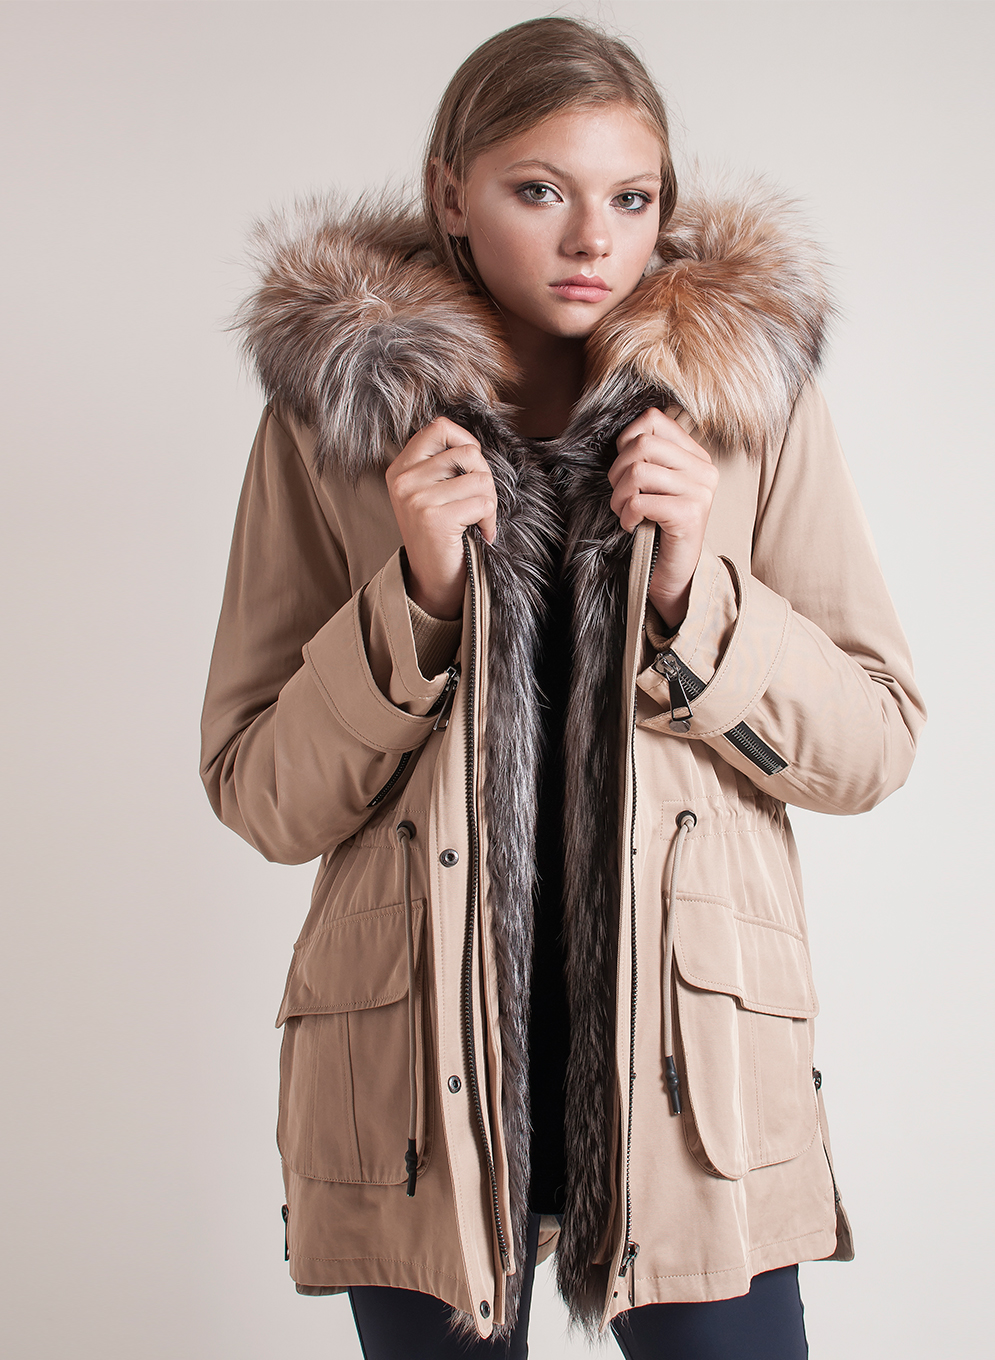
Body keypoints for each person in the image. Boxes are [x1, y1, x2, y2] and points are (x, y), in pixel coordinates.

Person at [199, 14, 925, 1359]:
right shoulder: (335, 421)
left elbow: (874, 744)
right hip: (415, 1084)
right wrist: (414, 601)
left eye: (632, 199)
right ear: (450, 195)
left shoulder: (746, 405)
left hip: (695, 1079)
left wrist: (697, 594)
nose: (594, 239)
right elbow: (260, 792)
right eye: (540, 191)